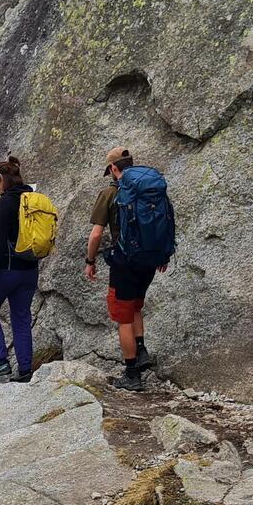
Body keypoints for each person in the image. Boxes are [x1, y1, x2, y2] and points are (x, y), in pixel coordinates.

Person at [85, 147, 176, 391]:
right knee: (136, 306)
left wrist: (90, 261)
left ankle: (132, 374)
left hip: (124, 262)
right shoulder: (152, 189)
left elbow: (96, 234)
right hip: (150, 259)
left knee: (123, 317)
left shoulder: (109, 193)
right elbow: (166, 221)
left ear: (114, 168)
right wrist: (163, 254)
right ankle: (141, 350)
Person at [0, 156, 57, 380]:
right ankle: (24, 370)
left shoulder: (6, 202)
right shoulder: (32, 200)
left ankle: (2, 362)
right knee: (21, 319)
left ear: (2, 179)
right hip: (30, 271)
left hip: (6, 270)